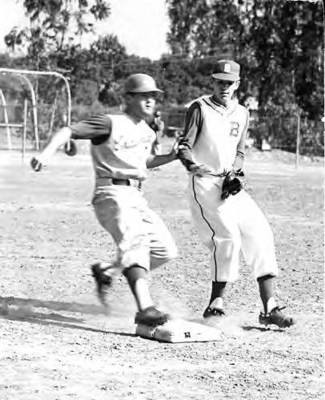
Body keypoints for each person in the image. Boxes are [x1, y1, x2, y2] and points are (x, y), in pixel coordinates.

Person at [30, 73, 178, 327]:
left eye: (153, 96)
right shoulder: (110, 122)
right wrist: (46, 154)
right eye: (145, 96)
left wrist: (172, 156)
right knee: (135, 244)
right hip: (111, 193)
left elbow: (145, 162)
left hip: (136, 195)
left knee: (165, 250)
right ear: (128, 98)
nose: (151, 101)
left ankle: (107, 270)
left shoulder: (148, 132)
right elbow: (68, 131)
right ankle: (145, 308)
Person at [177, 60, 294, 328]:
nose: (224, 87)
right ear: (212, 82)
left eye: (229, 82)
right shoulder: (200, 108)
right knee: (227, 236)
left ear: (237, 84)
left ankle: (270, 307)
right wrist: (191, 164)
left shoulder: (242, 113)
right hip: (204, 183)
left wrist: (236, 173)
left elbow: (240, 152)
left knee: (260, 232)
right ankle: (215, 303)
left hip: (229, 184)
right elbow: (184, 145)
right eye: (220, 81)